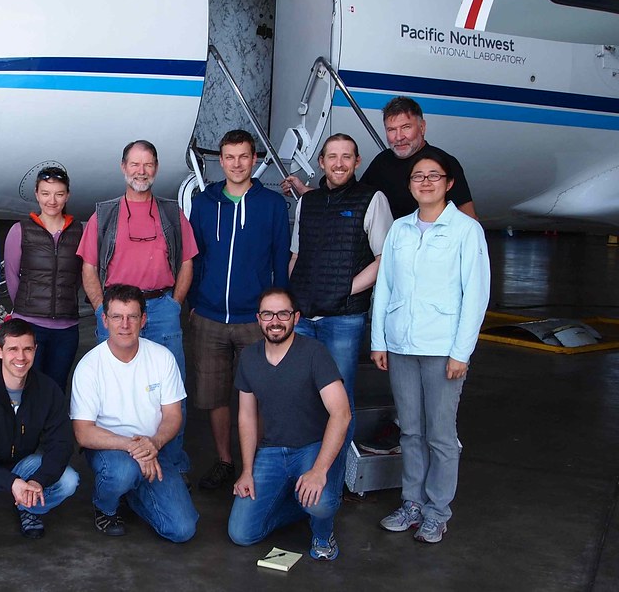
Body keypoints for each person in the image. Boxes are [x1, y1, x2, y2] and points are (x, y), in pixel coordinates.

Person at [370, 149, 491, 544]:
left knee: (441, 435)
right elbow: (385, 287)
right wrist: (379, 340)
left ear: (449, 183)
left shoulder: (465, 230)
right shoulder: (401, 230)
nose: (425, 182)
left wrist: (462, 352)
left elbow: (475, 295)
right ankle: (412, 503)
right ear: (409, 185)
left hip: (442, 350)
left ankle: (438, 511)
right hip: (403, 345)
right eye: (417, 177)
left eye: (433, 176)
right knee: (410, 432)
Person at [77, 140, 198, 475]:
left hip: (160, 307)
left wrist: (174, 304)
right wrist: (103, 308)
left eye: (147, 165)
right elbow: (88, 268)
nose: (141, 171)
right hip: (116, 310)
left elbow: (187, 261)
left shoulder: (172, 213)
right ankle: (119, 464)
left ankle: (170, 464)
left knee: (172, 392)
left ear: (155, 169)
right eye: (134, 164)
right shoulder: (104, 214)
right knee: (115, 387)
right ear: (123, 168)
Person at [187, 129, 290, 491]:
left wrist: (280, 314)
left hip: (254, 320)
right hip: (211, 316)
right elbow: (194, 258)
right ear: (221, 160)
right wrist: (194, 303)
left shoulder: (274, 205)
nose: (236, 164)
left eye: (243, 156)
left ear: (255, 159)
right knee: (215, 396)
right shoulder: (204, 203)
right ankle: (224, 461)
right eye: (229, 157)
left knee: (258, 395)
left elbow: (279, 261)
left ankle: (256, 463)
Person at [287, 133, 393, 484]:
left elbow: (384, 259)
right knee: (301, 397)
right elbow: (297, 257)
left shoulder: (372, 199)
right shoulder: (309, 202)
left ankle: (330, 483)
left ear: (357, 162)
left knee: (339, 403)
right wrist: (293, 302)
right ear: (321, 162)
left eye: (346, 156)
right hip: (306, 317)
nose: (339, 163)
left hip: (344, 319)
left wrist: (344, 288)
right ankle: (304, 474)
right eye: (332, 156)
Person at [228, 288, 350, 561]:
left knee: (321, 504)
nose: (275, 321)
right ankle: (299, 503)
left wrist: (319, 471)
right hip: (271, 451)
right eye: (268, 314)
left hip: (311, 448)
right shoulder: (249, 357)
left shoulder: (314, 353)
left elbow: (341, 413)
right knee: (241, 533)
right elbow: (246, 416)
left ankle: (322, 531)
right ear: (258, 319)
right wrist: (247, 470)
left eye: (283, 313)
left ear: (295, 317)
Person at [71, 285, 198, 542]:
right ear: (104, 320)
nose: (125, 324)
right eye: (117, 316)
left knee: (182, 530)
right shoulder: (89, 366)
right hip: (111, 450)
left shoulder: (162, 358)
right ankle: (106, 507)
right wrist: (134, 447)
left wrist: (154, 443)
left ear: (144, 319)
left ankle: (130, 494)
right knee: (122, 472)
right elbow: (83, 434)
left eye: (132, 316)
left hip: (153, 450)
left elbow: (174, 416)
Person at [0, 318, 79, 546]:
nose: (20, 357)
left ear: (35, 350)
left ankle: (29, 506)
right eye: (13, 349)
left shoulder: (48, 389)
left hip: (23, 463)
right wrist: (12, 483)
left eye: (27, 349)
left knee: (69, 480)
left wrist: (38, 481)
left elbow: (61, 443)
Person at [281, 97, 476, 219]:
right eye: (391, 130)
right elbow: (351, 199)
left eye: (406, 127)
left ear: (422, 127)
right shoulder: (383, 162)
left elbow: (469, 222)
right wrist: (306, 191)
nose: (398, 137)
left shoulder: (445, 163)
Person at [3, 166, 83, 393]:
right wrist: (27, 307)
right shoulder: (21, 230)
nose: (52, 200)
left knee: (56, 389)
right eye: (46, 193)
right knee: (26, 387)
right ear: (37, 194)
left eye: (59, 194)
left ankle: (50, 430)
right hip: (29, 326)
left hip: (66, 329)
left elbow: (77, 276)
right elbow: (11, 276)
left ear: (67, 195)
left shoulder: (79, 231)